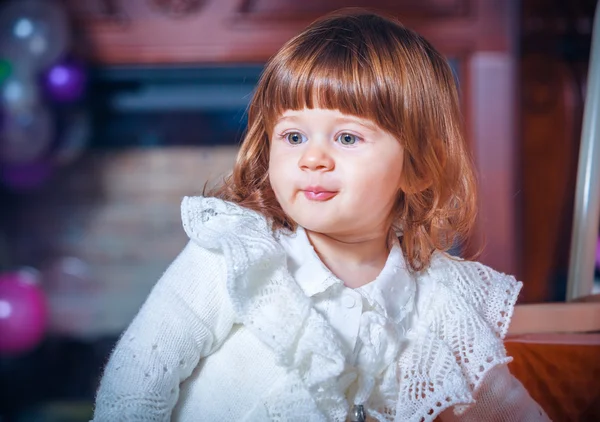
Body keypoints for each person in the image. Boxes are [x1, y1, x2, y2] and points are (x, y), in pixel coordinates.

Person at [92, 9, 551, 422]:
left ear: (418, 168)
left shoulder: (438, 304)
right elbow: (136, 381)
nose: (313, 159)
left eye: (347, 139)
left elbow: (506, 410)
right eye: (293, 137)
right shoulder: (234, 256)